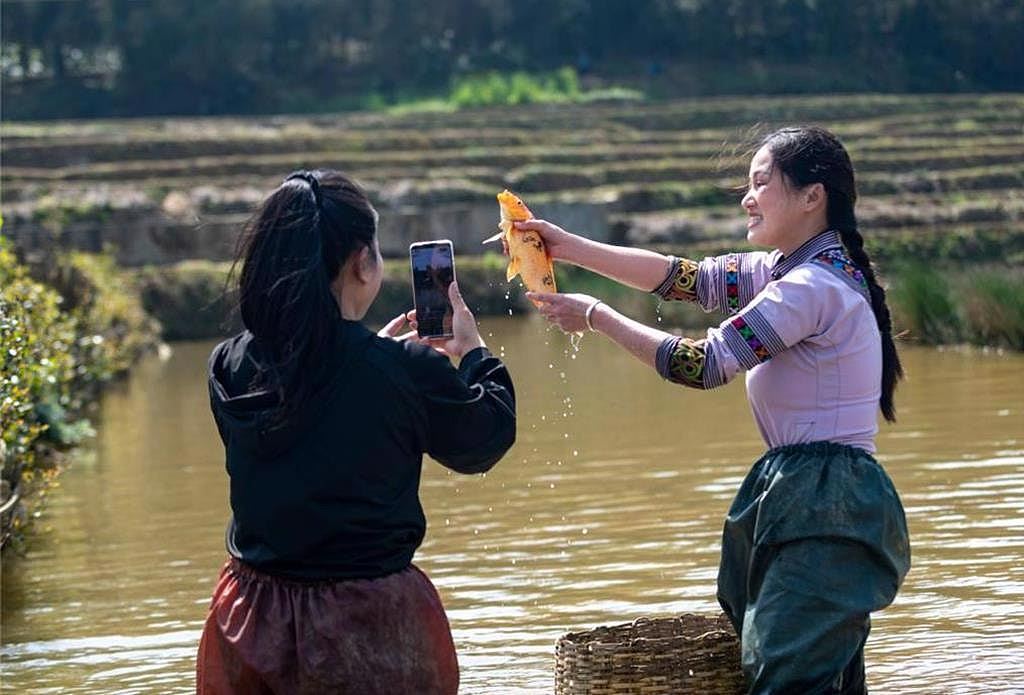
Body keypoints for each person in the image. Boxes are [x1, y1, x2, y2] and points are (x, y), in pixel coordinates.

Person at [520, 127, 911, 694]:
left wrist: (598, 318)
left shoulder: (808, 287)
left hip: (825, 499)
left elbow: (701, 366)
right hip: (810, 492)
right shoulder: (792, 270)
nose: (746, 198)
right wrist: (565, 246)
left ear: (811, 196)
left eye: (760, 184)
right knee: (821, 676)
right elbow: (681, 279)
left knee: (789, 677)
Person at [196, 169, 516, 694]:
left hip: (251, 618)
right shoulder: (400, 370)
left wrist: (379, 356)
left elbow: (311, 413)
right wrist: (473, 353)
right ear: (361, 263)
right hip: (368, 624)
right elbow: (484, 438)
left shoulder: (228, 363)